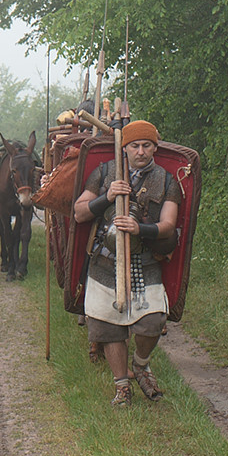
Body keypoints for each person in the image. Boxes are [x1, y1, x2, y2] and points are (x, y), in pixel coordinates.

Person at [73, 120, 181, 406]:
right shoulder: (105, 172)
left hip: (144, 261)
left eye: (147, 145)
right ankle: (122, 386)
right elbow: (80, 213)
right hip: (105, 261)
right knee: (107, 327)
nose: (141, 151)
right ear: (125, 148)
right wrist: (106, 197)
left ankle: (141, 365)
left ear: (155, 148)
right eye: (135, 146)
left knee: (152, 322)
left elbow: (168, 225)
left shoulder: (166, 180)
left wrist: (140, 229)